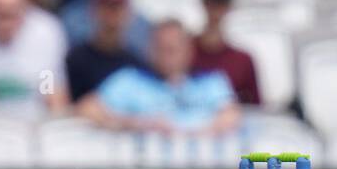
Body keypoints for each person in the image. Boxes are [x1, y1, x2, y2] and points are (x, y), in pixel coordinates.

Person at [78, 18, 241, 134]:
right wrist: (135, 124)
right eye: (160, 48)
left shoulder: (211, 82)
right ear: (150, 49)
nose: (166, 56)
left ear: (189, 50)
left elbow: (231, 116)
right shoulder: (130, 81)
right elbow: (88, 108)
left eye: (172, 49)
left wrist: (182, 132)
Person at [192, 0, 260, 104]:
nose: (216, 9)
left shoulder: (243, 61)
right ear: (203, 3)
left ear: (229, 6)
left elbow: (256, 107)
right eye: (211, 1)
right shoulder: (185, 53)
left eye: (221, 2)